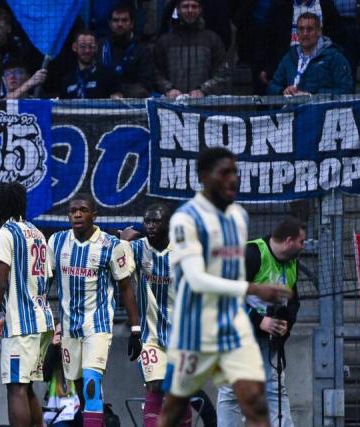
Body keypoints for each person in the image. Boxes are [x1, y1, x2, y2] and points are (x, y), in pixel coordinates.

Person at [159, 147, 292, 427]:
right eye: (224, 173)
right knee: (173, 408)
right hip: (195, 324)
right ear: (204, 177)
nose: (233, 179)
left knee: (255, 404)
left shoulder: (239, 217)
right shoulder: (186, 219)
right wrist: (255, 290)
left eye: (235, 172)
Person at [46, 193, 139, 427]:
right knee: (78, 385)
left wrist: (136, 328)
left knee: (90, 381)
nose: (77, 214)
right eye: (72, 210)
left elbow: (126, 288)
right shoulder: (56, 242)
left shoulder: (110, 245)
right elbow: (45, 283)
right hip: (69, 328)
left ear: (93, 215)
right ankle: (94, 419)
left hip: (97, 326)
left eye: (83, 210)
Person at [123, 204, 216, 427]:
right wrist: (123, 243)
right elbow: (118, 274)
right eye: (147, 221)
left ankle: (208, 419)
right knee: (155, 384)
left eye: (156, 221)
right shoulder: (136, 248)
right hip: (150, 334)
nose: (151, 226)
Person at [217, 217, 305, 427]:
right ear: (289, 240)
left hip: (268, 342)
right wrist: (259, 321)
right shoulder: (252, 254)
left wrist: (285, 325)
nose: (304, 246)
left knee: (275, 389)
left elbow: (293, 302)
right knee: (231, 390)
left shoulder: (292, 263)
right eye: (301, 241)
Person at [0, 182, 54, 427]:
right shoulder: (37, 233)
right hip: (42, 319)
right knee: (27, 384)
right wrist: (8, 312)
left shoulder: (5, 233)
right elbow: (47, 277)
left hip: (23, 326)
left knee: (15, 387)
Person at [154, 0, 229, 99]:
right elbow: (155, 72)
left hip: (205, 104)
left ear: (200, 10)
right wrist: (168, 89)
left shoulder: (212, 39)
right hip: (171, 105)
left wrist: (204, 90)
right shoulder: (164, 41)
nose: (190, 10)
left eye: (194, 6)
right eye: (185, 6)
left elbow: (222, 73)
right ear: (178, 10)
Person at [266, 12, 353, 95]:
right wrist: (283, 91)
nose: (305, 33)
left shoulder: (334, 56)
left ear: (319, 32)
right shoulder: (289, 57)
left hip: (323, 109)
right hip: (292, 108)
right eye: (301, 29)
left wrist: (313, 96)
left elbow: (346, 89)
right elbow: (272, 86)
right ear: (296, 32)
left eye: (310, 29)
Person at [98, 5, 154, 98]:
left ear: (131, 23)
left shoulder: (142, 49)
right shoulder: (100, 46)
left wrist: (121, 92)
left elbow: (146, 83)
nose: (120, 24)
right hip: (101, 103)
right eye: (115, 20)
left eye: (124, 20)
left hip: (131, 105)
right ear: (110, 23)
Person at [60, 30, 123, 99]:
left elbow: (118, 104)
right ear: (74, 47)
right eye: (82, 46)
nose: (87, 50)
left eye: (91, 46)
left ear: (96, 48)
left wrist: (117, 98)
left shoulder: (109, 75)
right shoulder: (67, 80)